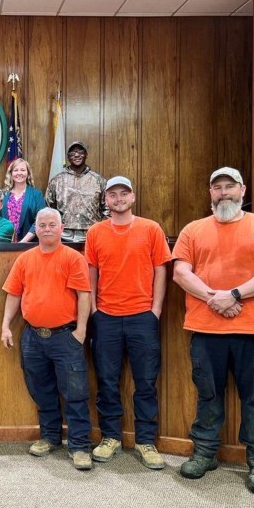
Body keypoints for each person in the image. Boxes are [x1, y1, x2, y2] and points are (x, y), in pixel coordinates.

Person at [172, 167, 254, 496]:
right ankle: (204, 454)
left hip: (253, 331)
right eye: (217, 188)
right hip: (205, 328)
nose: (224, 192)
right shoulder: (193, 230)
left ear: (242, 189)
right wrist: (216, 298)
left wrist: (235, 294)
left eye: (230, 186)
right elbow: (181, 273)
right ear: (210, 193)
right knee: (208, 395)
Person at [84, 176, 171, 470]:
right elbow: (91, 273)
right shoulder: (95, 232)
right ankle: (111, 437)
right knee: (107, 381)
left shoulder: (151, 229)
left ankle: (146, 441)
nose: (118, 198)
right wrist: (95, 309)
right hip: (106, 317)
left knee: (145, 382)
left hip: (142, 317)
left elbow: (161, 270)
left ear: (132, 197)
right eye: (113, 195)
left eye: (124, 193)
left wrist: (155, 310)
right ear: (106, 200)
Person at [1, 208, 93, 470]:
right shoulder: (25, 259)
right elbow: (14, 294)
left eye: (52, 224)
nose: (47, 229)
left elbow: (84, 295)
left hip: (66, 336)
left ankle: (79, 446)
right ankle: (50, 437)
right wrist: (6, 326)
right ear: (36, 229)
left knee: (75, 393)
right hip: (32, 337)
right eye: (42, 225)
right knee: (41, 390)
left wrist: (81, 332)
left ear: (61, 228)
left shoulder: (73, 258)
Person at [45, 141, 108, 242]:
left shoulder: (98, 180)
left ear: (86, 155)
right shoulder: (56, 181)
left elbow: (107, 208)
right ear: (68, 157)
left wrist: (101, 228)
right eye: (73, 152)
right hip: (62, 235)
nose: (77, 155)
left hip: (91, 234)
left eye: (80, 151)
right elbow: (48, 209)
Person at [1, 158, 46, 243]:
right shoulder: (3, 195)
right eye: (16, 170)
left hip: (30, 244)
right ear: (11, 173)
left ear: (28, 173)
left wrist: (23, 242)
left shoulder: (36, 194)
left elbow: (40, 220)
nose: (19, 173)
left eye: (23, 170)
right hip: (5, 244)